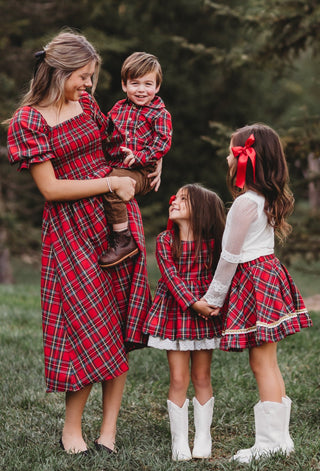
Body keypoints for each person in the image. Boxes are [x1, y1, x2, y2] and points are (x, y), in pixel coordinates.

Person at [6, 30, 153, 455]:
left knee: (118, 323)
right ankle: (73, 430)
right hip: (71, 230)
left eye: (91, 77)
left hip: (116, 223)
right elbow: (50, 189)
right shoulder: (28, 121)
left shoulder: (86, 105)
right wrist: (108, 181)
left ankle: (107, 432)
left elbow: (114, 144)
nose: (89, 85)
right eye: (83, 76)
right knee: (86, 327)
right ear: (60, 71)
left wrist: (145, 164)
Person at [201, 124, 313, 463]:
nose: (226, 156)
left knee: (261, 363)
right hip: (267, 275)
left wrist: (213, 298)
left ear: (247, 159)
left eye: (231, 151)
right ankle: (281, 439)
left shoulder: (245, 204)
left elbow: (230, 255)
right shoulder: (263, 199)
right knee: (269, 362)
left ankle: (268, 443)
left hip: (253, 278)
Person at [143, 183, 226, 461]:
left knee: (202, 376)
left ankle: (203, 435)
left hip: (203, 314)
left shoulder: (214, 244)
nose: (174, 201)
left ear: (200, 210)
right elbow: (170, 278)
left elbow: (220, 276)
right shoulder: (165, 241)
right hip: (177, 313)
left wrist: (211, 303)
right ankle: (179, 439)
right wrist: (194, 303)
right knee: (178, 378)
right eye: (174, 197)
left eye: (183, 199)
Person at [98, 51, 172, 268]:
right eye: (135, 83)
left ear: (157, 87)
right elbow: (105, 131)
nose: (141, 90)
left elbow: (162, 143)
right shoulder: (118, 109)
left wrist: (140, 157)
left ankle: (123, 239)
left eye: (148, 84)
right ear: (124, 85)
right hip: (117, 166)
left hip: (142, 172)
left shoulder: (160, 114)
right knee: (106, 179)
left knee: (112, 185)